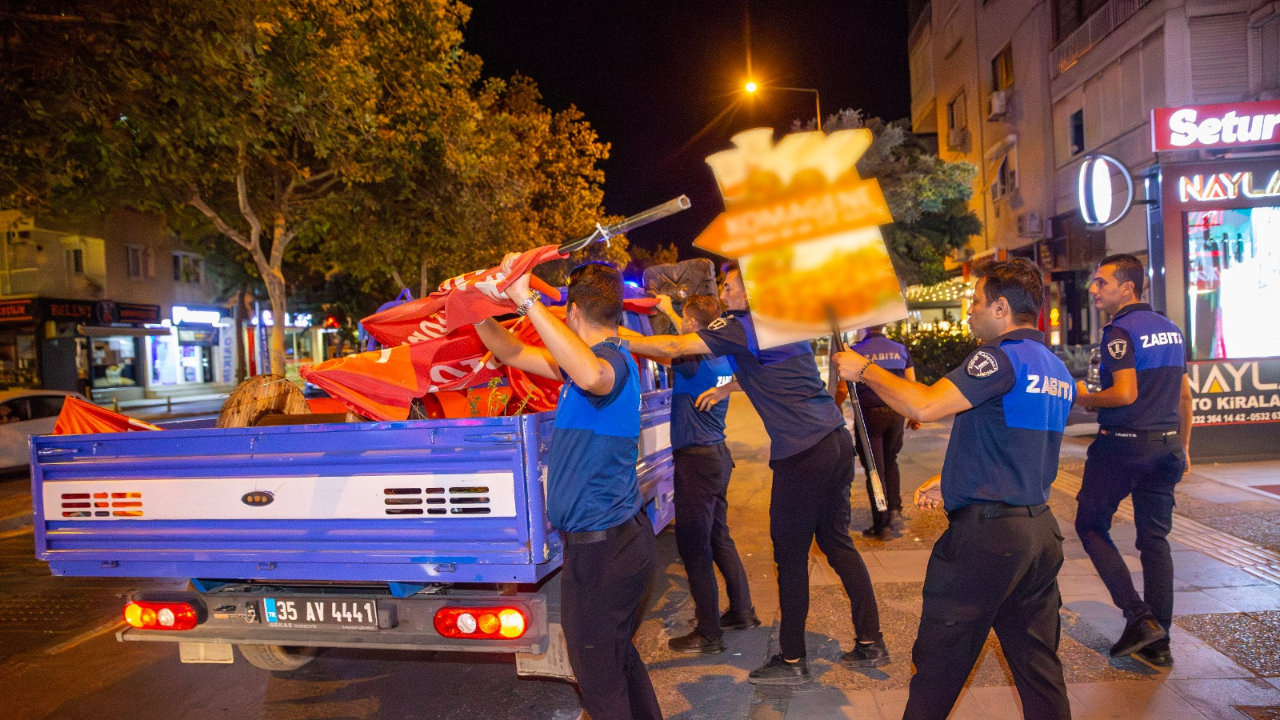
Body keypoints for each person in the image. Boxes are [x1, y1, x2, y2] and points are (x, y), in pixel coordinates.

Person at [624, 262, 886, 686]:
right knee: (837, 544)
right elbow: (766, 372)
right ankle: (871, 641)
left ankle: (792, 659)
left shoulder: (742, 325)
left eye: (730, 287)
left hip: (802, 454)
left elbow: (674, 346)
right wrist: (727, 387)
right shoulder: (781, 323)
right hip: (834, 442)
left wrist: (613, 336)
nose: (724, 293)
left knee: (791, 557)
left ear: (752, 293)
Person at [833, 258, 1073, 720]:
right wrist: (956, 480)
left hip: (988, 542)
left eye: (976, 301)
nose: (969, 310)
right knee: (1039, 671)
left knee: (938, 668)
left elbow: (925, 405)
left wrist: (865, 371)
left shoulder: (999, 357)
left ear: (1001, 309)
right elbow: (1020, 443)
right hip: (1037, 535)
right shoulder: (1055, 367)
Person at [474, 261, 661, 720]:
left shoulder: (613, 361)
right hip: (609, 546)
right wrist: (475, 309)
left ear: (573, 312)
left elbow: (594, 376)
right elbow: (513, 350)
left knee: (599, 682)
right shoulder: (584, 368)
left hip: (605, 551)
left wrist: (527, 300)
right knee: (616, 661)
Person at [1072, 253, 1193, 668]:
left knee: (1090, 525)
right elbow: (1184, 397)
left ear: (1127, 288)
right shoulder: (1171, 329)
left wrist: (1084, 397)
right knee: (1154, 542)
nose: (1093, 289)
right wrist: (1184, 446)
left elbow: (1124, 393)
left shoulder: (1119, 331)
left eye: (1101, 282)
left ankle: (1139, 618)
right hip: (1166, 447)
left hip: (1123, 447)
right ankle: (1160, 642)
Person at [652, 294, 757, 654]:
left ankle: (709, 633)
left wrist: (614, 334)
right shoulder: (723, 355)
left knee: (694, 547)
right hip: (717, 456)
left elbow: (663, 350)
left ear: (692, 325)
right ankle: (742, 612)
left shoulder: (691, 359)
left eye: (685, 320)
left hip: (696, 462)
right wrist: (670, 310)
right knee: (718, 537)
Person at [838, 325, 918, 537]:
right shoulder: (900, 349)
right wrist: (914, 415)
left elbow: (842, 388)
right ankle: (895, 511)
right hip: (896, 413)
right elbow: (912, 384)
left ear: (865, 326)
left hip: (869, 416)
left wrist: (836, 407)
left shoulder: (855, 350)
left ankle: (882, 525)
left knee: (875, 467)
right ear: (883, 326)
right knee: (891, 461)